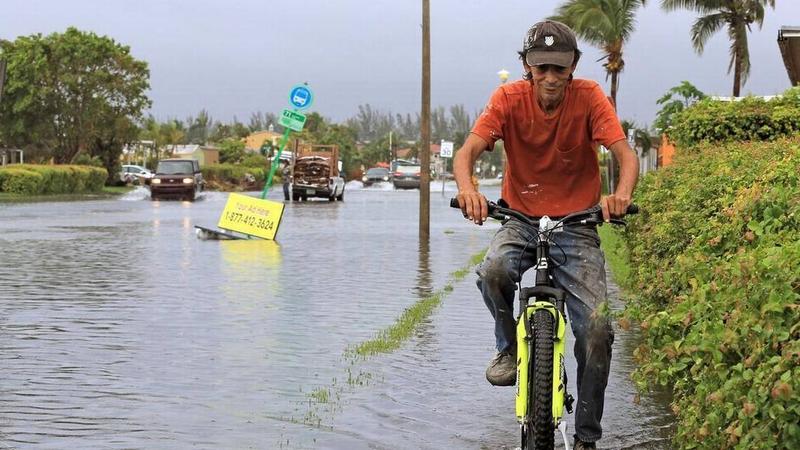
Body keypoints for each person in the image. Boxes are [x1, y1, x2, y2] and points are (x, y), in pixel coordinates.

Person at [452, 20, 639, 450]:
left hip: (577, 225)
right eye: (541, 69)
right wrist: (468, 190)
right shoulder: (507, 98)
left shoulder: (590, 97)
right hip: (519, 218)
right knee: (494, 271)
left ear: (572, 66)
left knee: (596, 331)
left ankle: (587, 436)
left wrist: (621, 195)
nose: (551, 78)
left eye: (559, 68)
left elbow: (624, 154)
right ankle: (508, 348)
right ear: (527, 67)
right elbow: (467, 152)